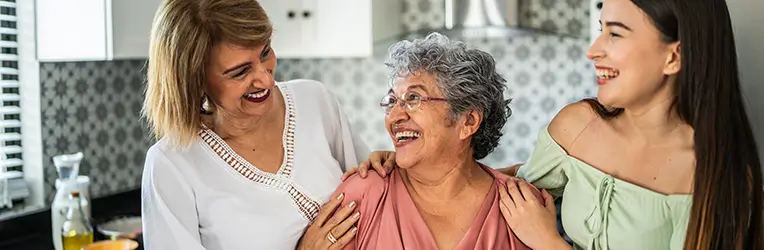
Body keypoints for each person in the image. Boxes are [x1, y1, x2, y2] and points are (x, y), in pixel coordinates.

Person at [498, 0, 764, 249]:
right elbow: (507, 198)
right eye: (601, 29)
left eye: (615, 34)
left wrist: (549, 243)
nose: (593, 52)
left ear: (673, 57)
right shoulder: (577, 126)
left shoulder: (716, 177)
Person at [139, 0, 388, 249]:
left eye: (265, 52)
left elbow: (379, 206)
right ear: (196, 79)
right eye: (240, 72)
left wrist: (389, 168)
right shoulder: (171, 165)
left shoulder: (315, 101)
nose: (266, 80)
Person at [332, 32, 545, 250]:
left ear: (469, 121)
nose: (394, 117)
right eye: (392, 101)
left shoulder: (522, 208)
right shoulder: (363, 194)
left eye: (413, 98)